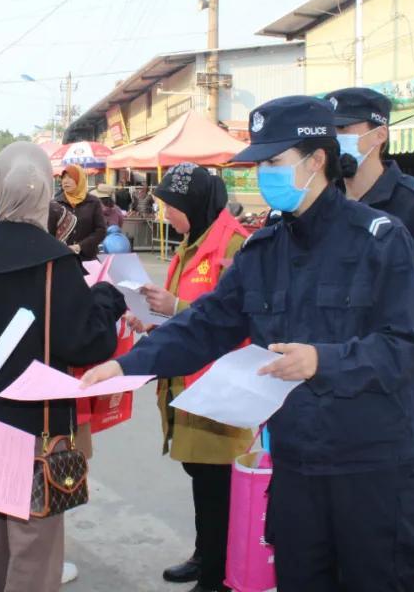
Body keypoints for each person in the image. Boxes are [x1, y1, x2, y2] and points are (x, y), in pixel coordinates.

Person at [84, 96, 414, 592]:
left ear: (316, 161)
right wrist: (127, 365)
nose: (262, 175)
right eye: (259, 164)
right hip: (297, 465)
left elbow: (405, 348)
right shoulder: (264, 249)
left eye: (274, 162)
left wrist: (322, 360)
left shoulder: (379, 241)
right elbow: (207, 323)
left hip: (372, 467)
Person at [0, 142, 128, 592]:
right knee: (35, 551)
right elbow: (87, 342)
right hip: (38, 434)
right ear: (44, 190)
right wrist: (107, 299)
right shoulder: (53, 261)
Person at [129, 163, 253, 592]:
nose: (165, 216)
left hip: (219, 387)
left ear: (193, 204)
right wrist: (153, 322)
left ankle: (219, 575)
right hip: (186, 381)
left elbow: (241, 319)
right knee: (201, 476)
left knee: (218, 482)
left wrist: (176, 307)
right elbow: (184, 311)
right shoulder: (190, 242)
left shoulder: (235, 245)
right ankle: (206, 555)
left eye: (170, 207)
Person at [329, 87, 414, 328]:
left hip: (383, 354)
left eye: (343, 128)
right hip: (321, 355)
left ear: (380, 134)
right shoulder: (324, 199)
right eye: (330, 129)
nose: (335, 137)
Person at [54, 165, 106, 261]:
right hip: (63, 259)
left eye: (70, 177)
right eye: (63, 177)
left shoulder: (93, 202)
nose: (65, 181)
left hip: (88, 258)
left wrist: (80, 246)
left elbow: (101, 230)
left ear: (79, 180)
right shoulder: (56, 203)